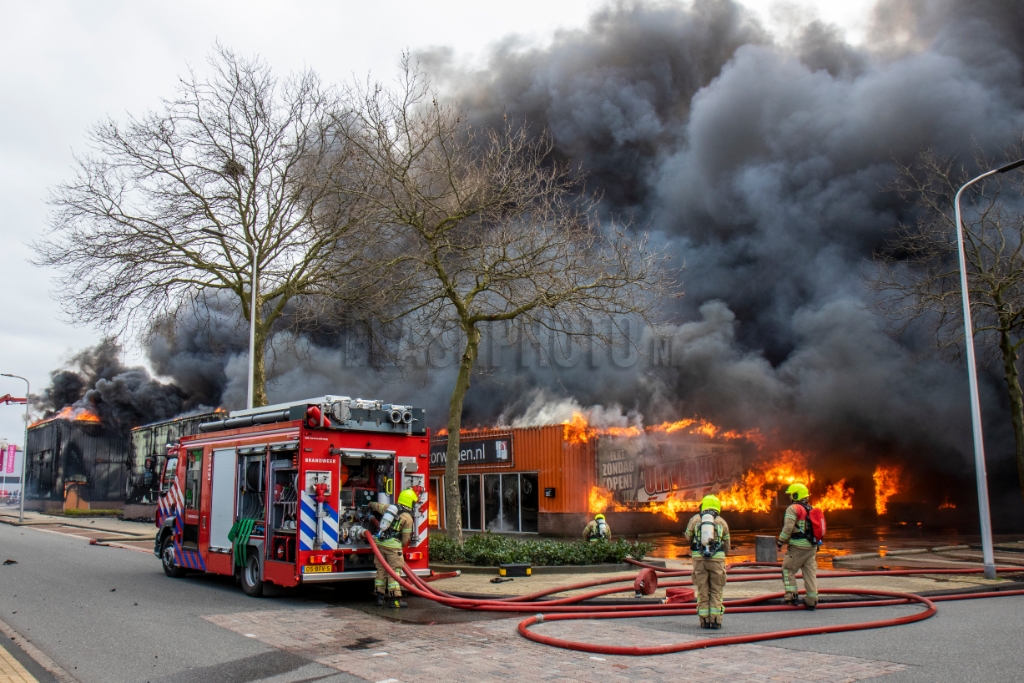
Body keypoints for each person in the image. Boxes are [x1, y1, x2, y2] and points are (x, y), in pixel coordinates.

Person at [683, 495, 731, 629]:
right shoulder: (722, 521)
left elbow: (688, 536)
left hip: (699, 560)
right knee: (716, 590)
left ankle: (704, 620)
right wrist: (722, 556)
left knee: (702, 589)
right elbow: (727, 543)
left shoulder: (695, 519)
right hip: (717, 560)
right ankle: (716, 620)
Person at [369, 488, 417, 608]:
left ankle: (379, 598)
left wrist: (370, 504)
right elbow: (405, 538)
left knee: (380, 570)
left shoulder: (390, 509)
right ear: (410, 502)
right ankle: (394, 600)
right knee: (394, 572)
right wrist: (399, 547)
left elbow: (378, 506)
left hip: (379, 543)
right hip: (393, 547)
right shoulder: (408, 518)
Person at [777, 483, 818, 610]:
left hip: (798, 547)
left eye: (791, 495)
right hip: (812, 547)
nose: (790, 497)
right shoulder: (810, 508)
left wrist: (780, 541)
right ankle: (812, 600)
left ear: (796, 494)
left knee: (787, 569)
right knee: (809, 573)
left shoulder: (793, 508)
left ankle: (791, 596)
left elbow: (788, 527)